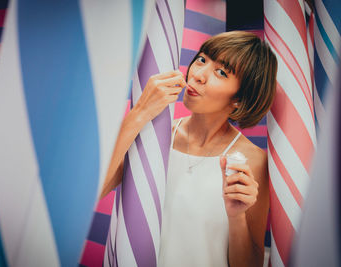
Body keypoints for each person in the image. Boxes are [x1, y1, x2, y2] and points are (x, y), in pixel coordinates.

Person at [100, 31, 278, 267]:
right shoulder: (153, 136)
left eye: (221, 72)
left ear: (240, 98)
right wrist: (140, 113)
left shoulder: (253, 162)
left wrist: (237, 218)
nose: (198, 75)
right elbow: (95, 192)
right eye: (202, 59)